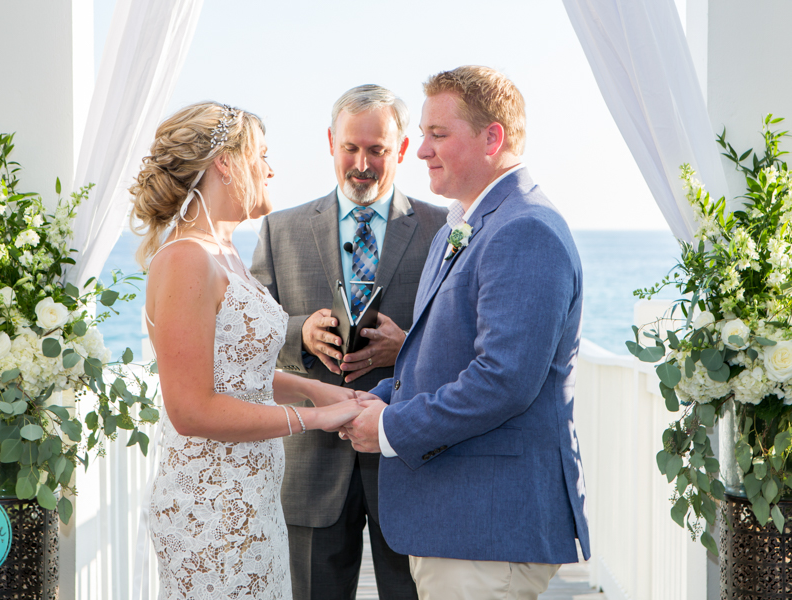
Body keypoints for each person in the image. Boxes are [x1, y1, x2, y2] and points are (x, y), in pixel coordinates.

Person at [343, 66, 591, 600]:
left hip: (487, 529)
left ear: (492, 138)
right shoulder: (468, 222)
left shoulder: (524, 229)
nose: (421, 151)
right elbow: (441, 357)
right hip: (458, 524)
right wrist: (374, 398)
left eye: (438, 135)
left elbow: (503, 380)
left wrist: (390, 429)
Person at [130, 101, 363, 600]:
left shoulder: (225, 251)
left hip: (253, 500)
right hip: (208, 509)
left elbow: (238, 367)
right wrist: (314, 420)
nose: (271, 169)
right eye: (261, 154)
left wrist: (316, 392)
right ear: (225, 163)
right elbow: (191, 409)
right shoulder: (186, 261)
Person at [251, 85, 446, 600]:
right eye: (351, 148)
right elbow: (248, 335)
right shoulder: (280, 229)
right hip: (312, 465)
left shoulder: (444, 229)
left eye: (377, 150)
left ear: (401, 149)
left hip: (407, 461)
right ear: (331, 142)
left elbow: (463, 340)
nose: (362, 164)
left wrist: (405, 347)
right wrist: (300, 334)